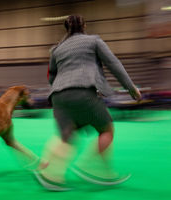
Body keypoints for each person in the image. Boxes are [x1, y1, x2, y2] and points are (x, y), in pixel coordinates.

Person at [34, 15, 142, 191]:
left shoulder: (56, 49)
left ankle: (51, 176)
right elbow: (113, 63)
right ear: (84, 26)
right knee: (106, 129)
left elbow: (51, 76)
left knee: (67, 136)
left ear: (66, 28)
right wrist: (131, 88)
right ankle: (93, 167)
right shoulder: (94, 40)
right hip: (83, 92)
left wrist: (62, 90)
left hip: (57, 97)